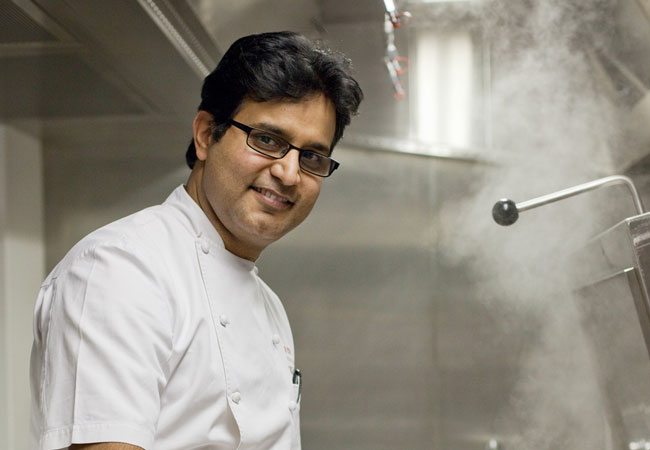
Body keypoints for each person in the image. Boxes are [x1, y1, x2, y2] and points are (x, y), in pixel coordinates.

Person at [30, 31, 363, 450]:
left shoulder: (269, 307)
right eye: (267, 140)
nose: (289, 173)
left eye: (311, 156)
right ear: (206, 134)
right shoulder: (121, 270)